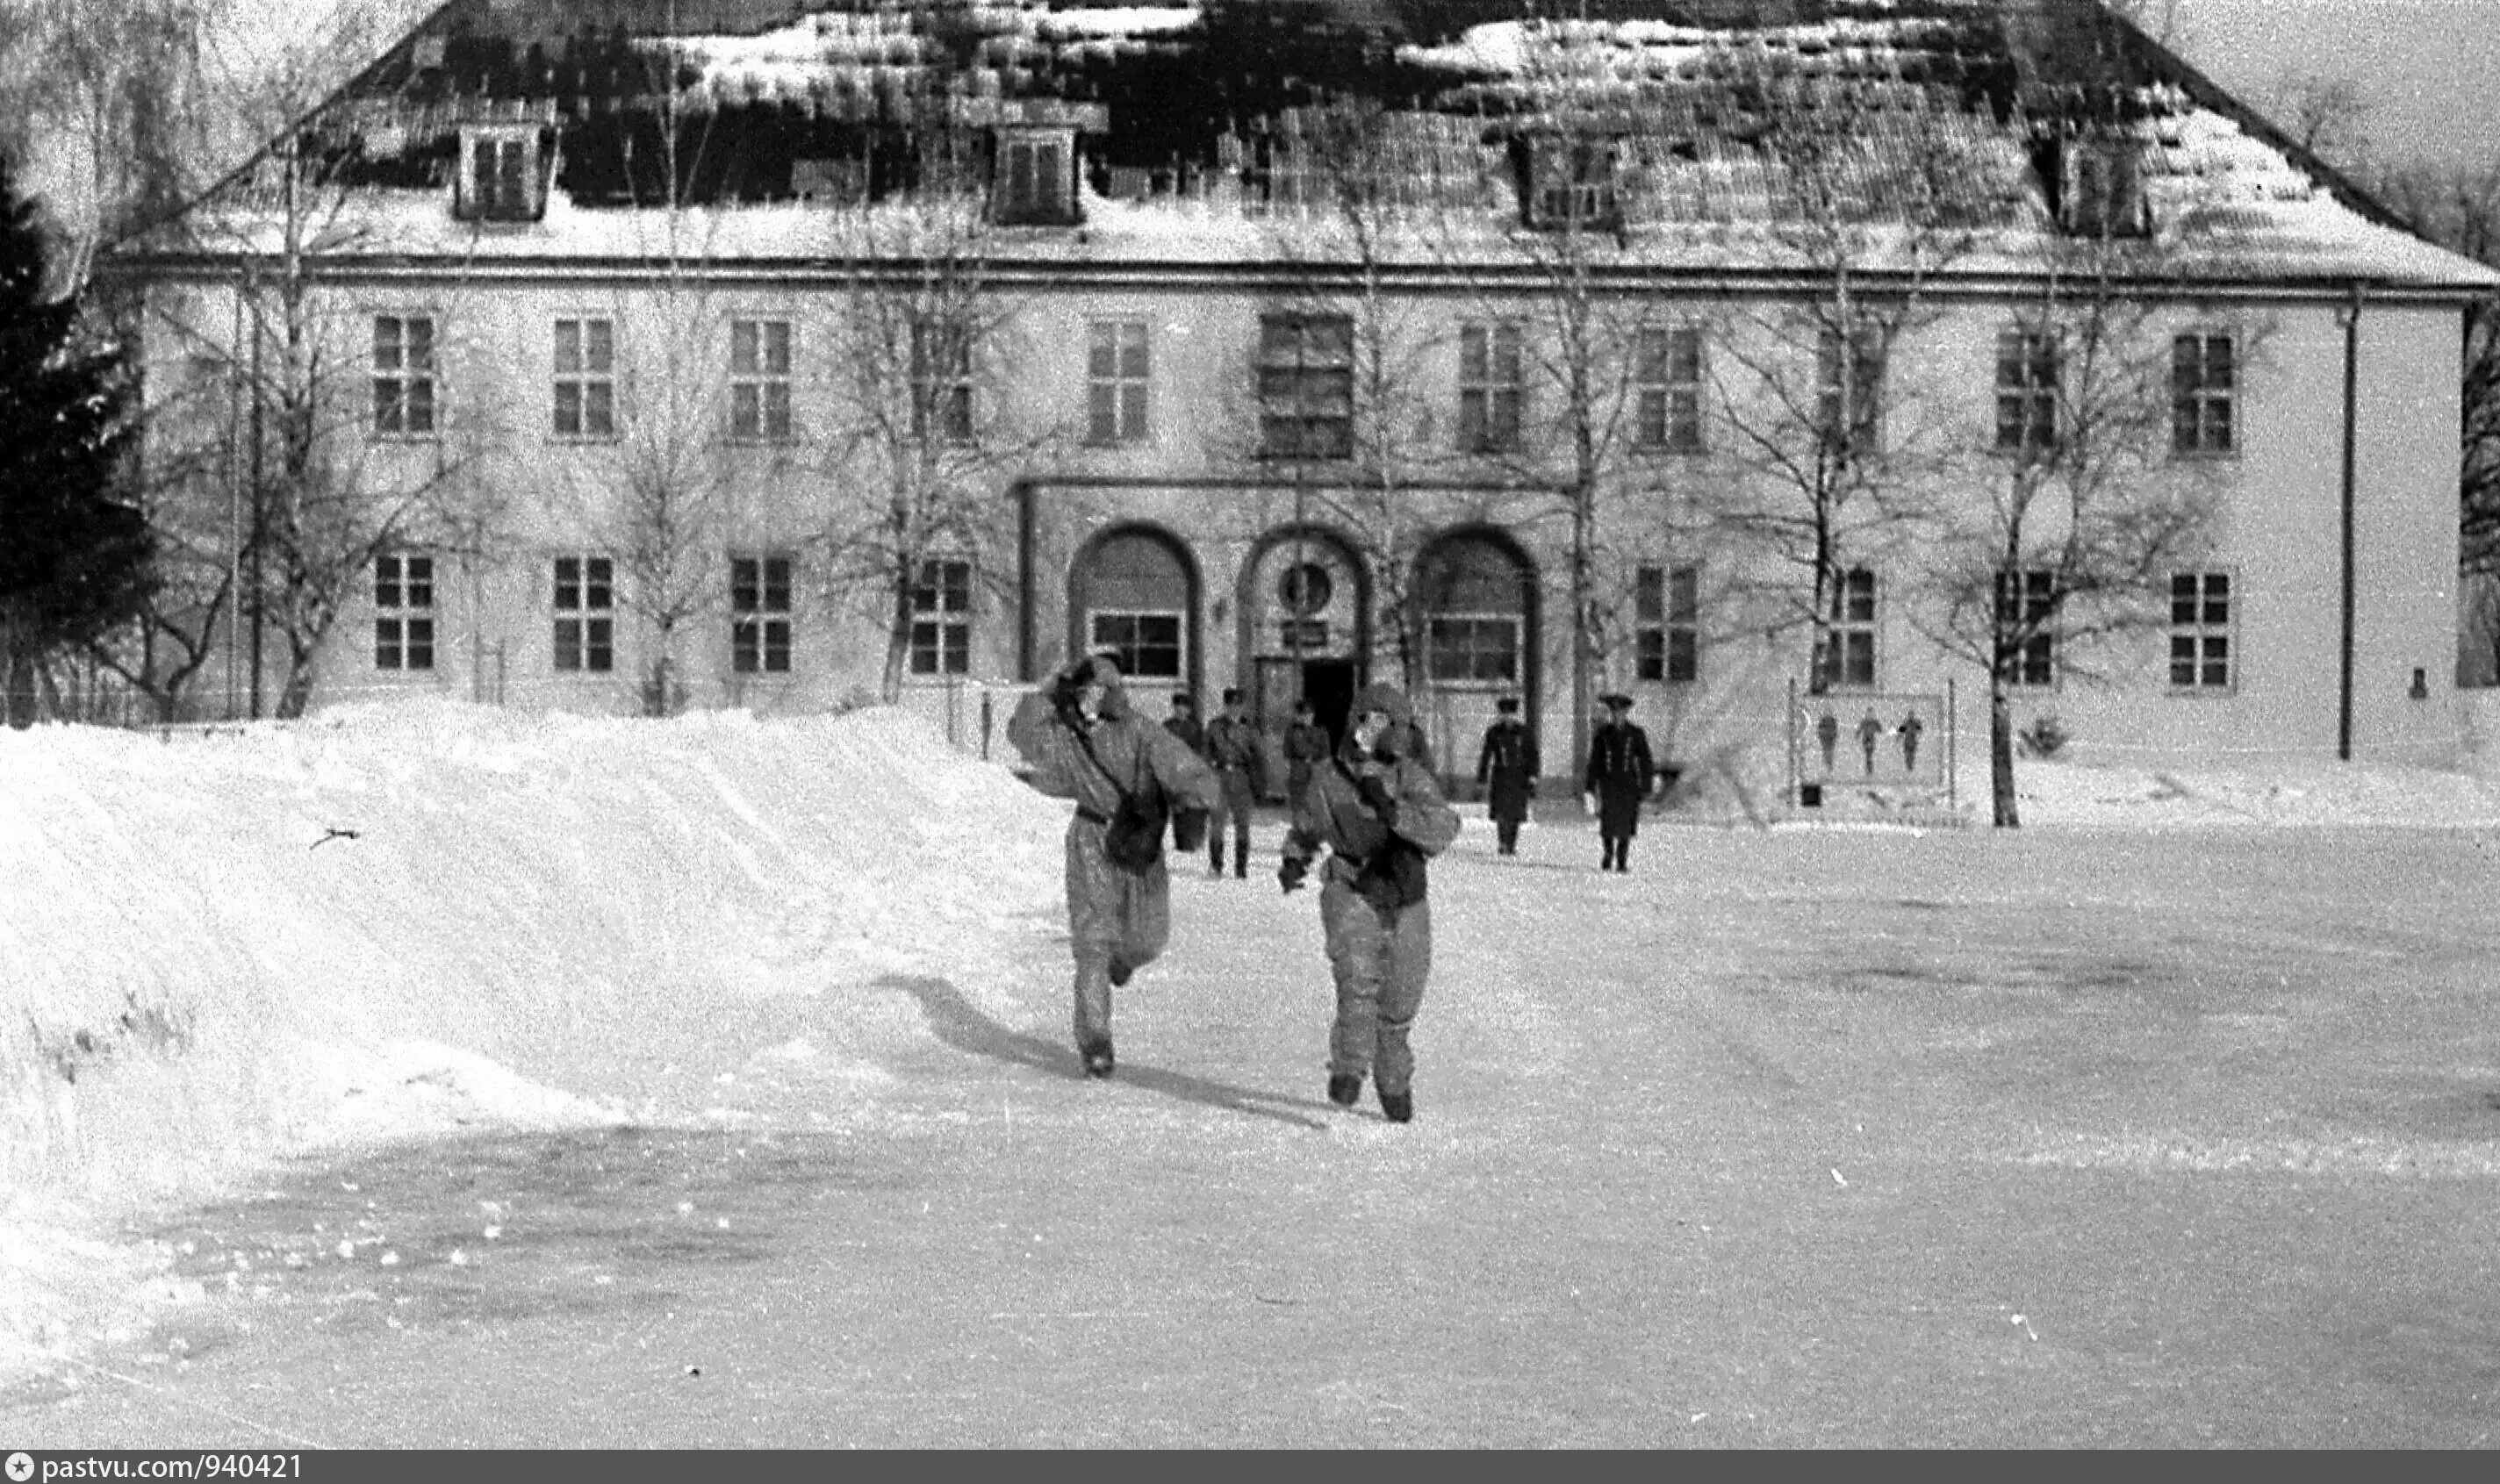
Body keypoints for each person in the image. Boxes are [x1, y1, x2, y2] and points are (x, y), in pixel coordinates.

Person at [1008, 651, 1220, 1079]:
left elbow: (1184, 767)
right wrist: (1050, 689)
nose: (1091, 699)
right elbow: (1021, 733)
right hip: (1090, 842)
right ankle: (1096, 1042)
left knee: (1148, 939)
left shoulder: (1140, 733)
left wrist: (1197, 804)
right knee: (1091, 944)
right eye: (1085, 691)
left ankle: (1122, 962)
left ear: (1114, 694)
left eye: (1100, 691)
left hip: (1138, 841)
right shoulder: (1065, 735)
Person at [1277, 681, 1460, 1124]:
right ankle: (1349, 1067)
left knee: (1400, 1000)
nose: (1373, 731)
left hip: (1404, 894)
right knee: (1358, 982)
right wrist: (1294, 859)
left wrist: (1394, 811)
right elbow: (1307, 825)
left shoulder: (1410, 776)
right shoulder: (1329, 778)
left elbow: (1443, 827)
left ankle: (1393, 1079)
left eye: (1386, 722)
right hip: (1351, 885)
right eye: (1368, 719)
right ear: (1355, 720)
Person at [1582, 692, 1657, 874]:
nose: (1617, 716)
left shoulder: (1635, 734)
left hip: (1628, 785)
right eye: (1614, 713)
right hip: (1609, 783)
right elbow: (1595, 761)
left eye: (1621, 712)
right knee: (1608, 823)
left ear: (1626, 713)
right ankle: (1608, 853)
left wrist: (1646, 784)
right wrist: (1590, 787)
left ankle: (1622, 859)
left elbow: (1645, 760)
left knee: (1626, 824)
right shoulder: (1603, 735)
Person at [1201, 687, 1265, 878]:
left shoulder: (1250, 730)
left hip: (1242, 779)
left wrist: (1258, 780)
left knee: (1243, 825)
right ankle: (1216, 865)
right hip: (1219, 778)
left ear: (1243, 707)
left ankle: (1241, 868)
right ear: (1225, 706)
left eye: (1237, 706)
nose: (1234, 710)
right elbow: (1205, 754)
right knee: (1216, 825)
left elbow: (1260, 756)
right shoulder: (1214, 727)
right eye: (1230, 706)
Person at [1473, 695, 1540, 856]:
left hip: (1519, 777)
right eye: (1504, 714)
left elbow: (1532, 755)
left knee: (1516, 813)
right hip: (1501, 776)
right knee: (1502, 812)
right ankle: (1502, 842)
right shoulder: (1494, 733)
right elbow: (1486, 755)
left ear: (1516, 715)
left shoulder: (1524, 733)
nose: (1508, 717)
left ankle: (1511, 843)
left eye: (1511, 714)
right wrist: (1482, 777)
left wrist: (1533, 775)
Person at [1282, 699, 1331, 807]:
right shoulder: (1292, 731)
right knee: (1298, 804)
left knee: (1316, 804)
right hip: (1298, 769)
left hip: (1316, 769)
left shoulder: (1321, 730)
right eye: (1304, 715)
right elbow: (1289, 753)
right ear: (1299, 716)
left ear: (1313, 715)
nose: (1307, 718)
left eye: (1309, 714)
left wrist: (1318, 763)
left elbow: (1326, 753)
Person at [1162, 690, 1204, 756]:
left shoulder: (1195, 727)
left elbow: (1200, 748)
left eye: (1183, 709)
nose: (1181, 712)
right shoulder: (1167, 726)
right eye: (1178, 710)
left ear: (1188, 710)